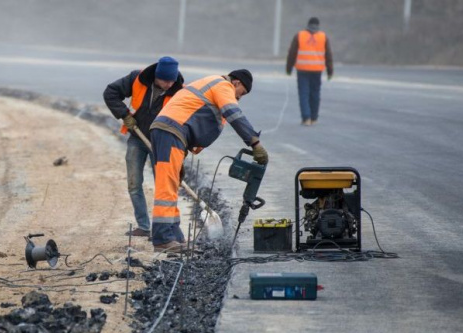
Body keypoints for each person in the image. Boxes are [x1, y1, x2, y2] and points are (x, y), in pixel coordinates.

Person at [148, 69, 268, 252]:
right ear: (235, 83)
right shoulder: (223, 85)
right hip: (170, 132)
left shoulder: (212, 85)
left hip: (171, 133)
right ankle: (163, 239)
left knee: (171, 184)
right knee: (167, 185)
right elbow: (233, 114)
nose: (238, 98)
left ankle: (175, 237)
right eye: (241, 93)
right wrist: (255, 143)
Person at [104, 57, 184, 238]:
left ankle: (164, 229)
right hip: (137, 138)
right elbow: (110, 92)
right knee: (134, 184)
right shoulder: (137, 79)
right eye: (165, 81)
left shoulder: (179, 92)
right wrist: (124, 114)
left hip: (161, 143)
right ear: (156, 76)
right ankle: (143, 226)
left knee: (164, 187)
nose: (168, 84)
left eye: (172, 81)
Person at [286, 17, 334, 126]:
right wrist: (330, 71)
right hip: (317, 70)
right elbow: (329, 55)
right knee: (315, 94)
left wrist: (289, 68)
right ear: (318, 25)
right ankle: (314, 118)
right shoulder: (323, 37)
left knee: (304, 93)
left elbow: (292, 53)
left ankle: (306, 118)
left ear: (308, 24)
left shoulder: (300, 35)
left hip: (302, 70)